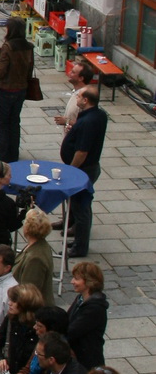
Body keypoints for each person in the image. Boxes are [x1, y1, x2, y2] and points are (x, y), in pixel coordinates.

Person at [60, 89, 108, 259]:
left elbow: (81, 152)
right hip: (88, 168)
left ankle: (80, 247)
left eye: (79, 96)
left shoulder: (89, 121)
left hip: (83, 170)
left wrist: (71, 170)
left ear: (86, 100)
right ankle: (79, 240)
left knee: (81, 208)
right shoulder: (98, 115)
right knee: (80, 206)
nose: (77, 98)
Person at [0, 16, 35, 164]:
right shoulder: (28, 47)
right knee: (14, 122)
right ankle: (13, 152)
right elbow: (29, 68)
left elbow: (0, 71)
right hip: (21, 89)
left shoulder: (8, 47)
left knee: (1, 123)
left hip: (6, 89)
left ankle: (3, 153)